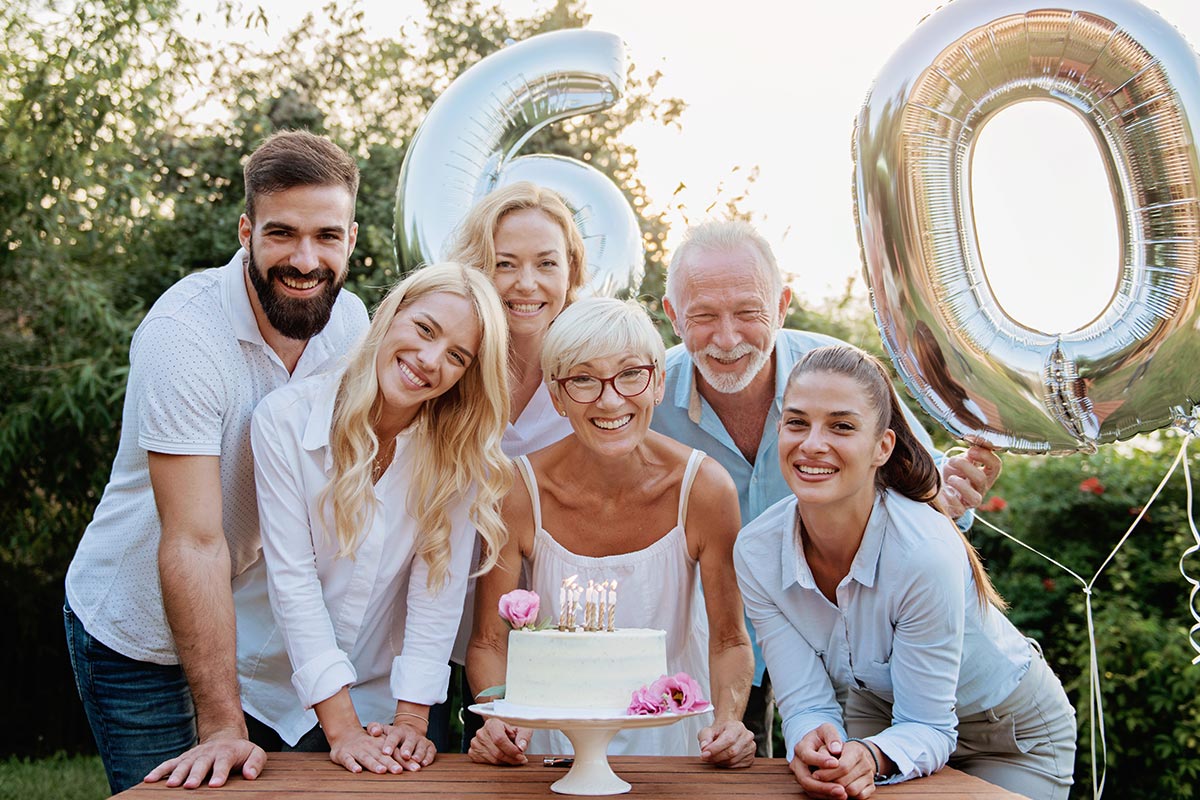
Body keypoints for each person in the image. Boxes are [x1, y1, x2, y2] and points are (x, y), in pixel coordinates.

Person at [63, 130, 369, 793]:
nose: (304, 257)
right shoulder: (185, 337)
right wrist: (223, 722)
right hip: (135, 631)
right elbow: (196, 542)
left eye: (325, 235)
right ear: (246, 231)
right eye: (282, 233)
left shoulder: (350, 326)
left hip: (245, 628)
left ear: (350, 239)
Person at [649, 219, 1002, 756]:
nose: (727, 338)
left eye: (748, 312)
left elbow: (927, 491)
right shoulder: (644, 398)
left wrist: (952, 494)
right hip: (708, 647)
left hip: (841, 643)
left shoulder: (839, 376)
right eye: (703, 316)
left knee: (847, 774)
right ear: (673, 316)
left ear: (783, 305)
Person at [735, 345, 1075, 800]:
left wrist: (872, 757)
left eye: (841, 426)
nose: (813, 443)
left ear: (882, 447)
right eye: (797, 422)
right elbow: (807, 701)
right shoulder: (757, 552)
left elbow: (930, 725)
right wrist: (816, 744)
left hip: (1007, 735)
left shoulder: (923, 551)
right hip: (881, 716)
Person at [219, 263, 511, 778]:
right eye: (425, 329)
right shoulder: (284, 420)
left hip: (384, 701)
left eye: (457, 356)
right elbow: (294, 580)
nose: (429, 360)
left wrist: (412, 720)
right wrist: (341, 730)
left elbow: (436, 594)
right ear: (392, 312)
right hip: (268, 690)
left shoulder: (460, 457)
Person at [466, 297, 755, 767]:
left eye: (630, 374)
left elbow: (729, 640)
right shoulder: (516, 492)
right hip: (548, 756)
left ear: (658, 382)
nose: (610, 399)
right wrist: (498, 714)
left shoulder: (704, 489)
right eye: (582, 378)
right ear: (556, 395)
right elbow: (488, 643)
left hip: (673, 753)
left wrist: (728, 722)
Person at [430, 182, 588, 749]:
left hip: (541, 637)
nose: (527, 284)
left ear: (570, 271)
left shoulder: (592, 378)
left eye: (546, 263)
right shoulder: (445, 366)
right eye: (505, 264)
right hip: (430, 628)